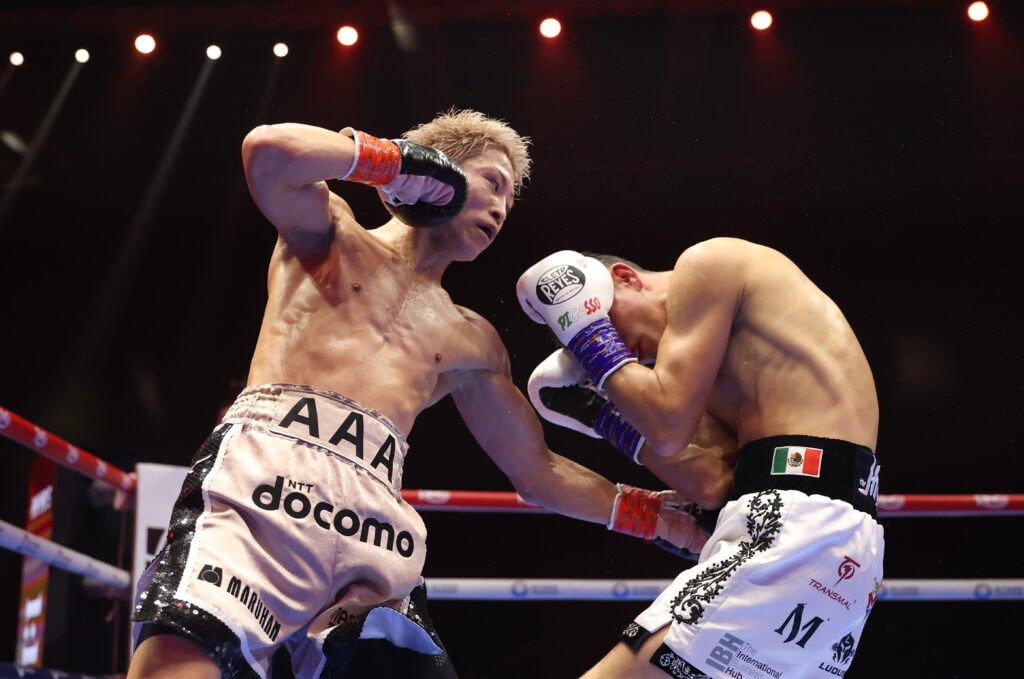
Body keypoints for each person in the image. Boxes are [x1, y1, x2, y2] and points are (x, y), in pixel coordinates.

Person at [126, 110, 708, 679]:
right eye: (492, 183)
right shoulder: (331, 232)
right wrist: (391, 163)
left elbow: (538, 472)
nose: (502, 208)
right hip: (264, 488)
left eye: (510, 199)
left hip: (374, 531)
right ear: (440, 173)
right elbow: (269, 151)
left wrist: (653, 517)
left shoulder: (472, 339)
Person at [516, 239, 884, 678]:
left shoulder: (709, 263)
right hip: (829, 547)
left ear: (624, 279)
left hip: (800, 529)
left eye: (605, 321)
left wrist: (586, 337)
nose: (625, 358)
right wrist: (603, 415)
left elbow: (667, 429)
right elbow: (711, 486)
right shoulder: (710, 375)